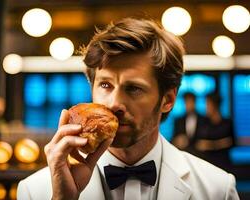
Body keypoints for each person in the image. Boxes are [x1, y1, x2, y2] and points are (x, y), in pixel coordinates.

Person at [17, 18, 239, 200]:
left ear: (168, 100)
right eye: (105, 85)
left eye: (133, 88)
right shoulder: (36, 191)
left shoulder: (217, 189)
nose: (114, 104)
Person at [195, 93, 235, 169]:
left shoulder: (227, 123)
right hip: (207, 165)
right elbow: (199, 144)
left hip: (224, 164)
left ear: (215, 105)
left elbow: (231, 142)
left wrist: (210, 145)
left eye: (208, 104)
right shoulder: (203, 123)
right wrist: (220, 143)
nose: (206, 107)